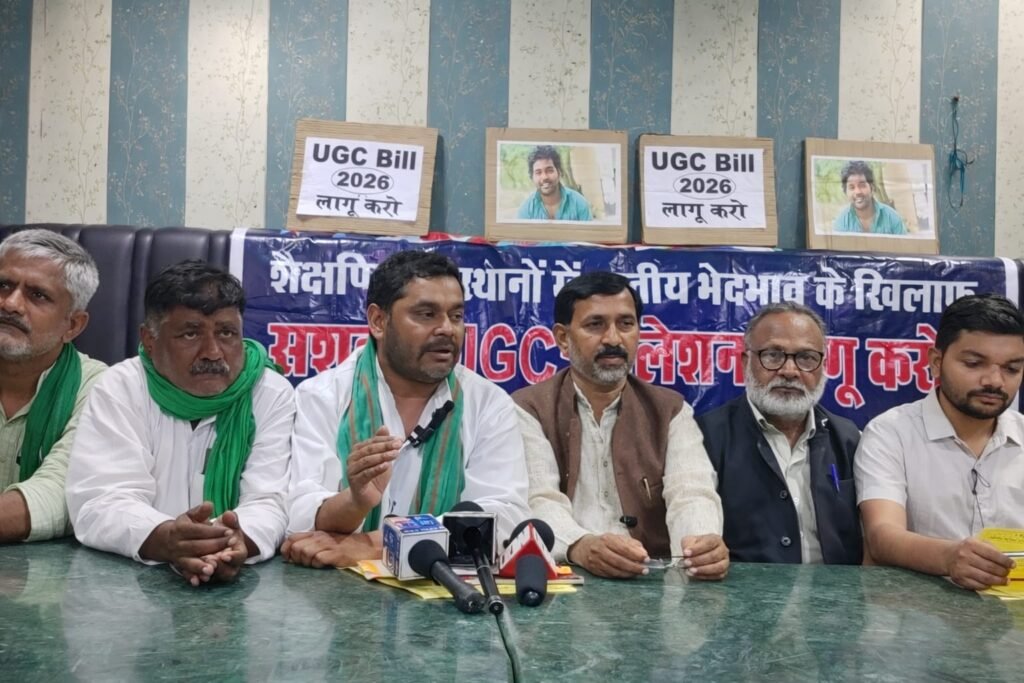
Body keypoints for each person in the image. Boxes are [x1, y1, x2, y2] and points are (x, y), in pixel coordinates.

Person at [283, 251, 529, 569]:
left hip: (447, 591)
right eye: (427, 314)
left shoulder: (488, 404)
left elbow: (504, 517)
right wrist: (354, 502)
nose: (447, 329)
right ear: (378, 321)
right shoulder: (323, 396)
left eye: (456, 316)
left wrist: (378, 544)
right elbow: (298, 517)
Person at [66, 261, 293, 586]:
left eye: (226, 333)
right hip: (131, 589)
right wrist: (167, 538)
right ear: (150, 340)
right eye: (190, 333)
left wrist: (233, 543)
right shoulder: (121, 387)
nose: (213, 353)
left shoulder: (269, 392)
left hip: (240, 585)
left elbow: (270, 500)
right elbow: (100, 500)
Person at [514, 272, 727, 580]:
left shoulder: (670, 410)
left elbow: (691, 491)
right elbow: (538, 499)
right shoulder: (528, 408)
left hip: (652, 578)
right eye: (595, 325)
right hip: (567, 576)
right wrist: (579, 545)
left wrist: (698, 548)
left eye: (626, 324)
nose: (613, 339)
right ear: (562, 338)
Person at [856, 293, 1024, 590]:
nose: (995, 381)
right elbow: (881, 536)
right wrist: (948, 558)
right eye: (974, 363)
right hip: (917, 611)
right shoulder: (891, 433)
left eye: (1011, 369)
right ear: (936, 362)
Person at [697, 302, 862, 564]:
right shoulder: (706, 438)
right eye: (773, 355)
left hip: (836, 589)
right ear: (745, 362)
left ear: (823, 366)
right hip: (744, 589)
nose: (789, 371)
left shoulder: (848, 438)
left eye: (806, 358)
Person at [0, 230, 105, 543]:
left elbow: (63, 492)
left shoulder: (100, 388)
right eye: (3, 285)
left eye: (38, 295)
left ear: (72, 325)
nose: (10, 304)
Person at [516, 145, 593, 221]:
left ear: (559, 172)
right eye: (538, 172)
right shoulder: (526, 210)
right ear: (532, 177)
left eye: (549, 170)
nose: (544, 177)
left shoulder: (579, 203)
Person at [832, 160, 907, 235]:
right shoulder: (841, 222)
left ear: (872, 188)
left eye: (862, 185)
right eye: (852, 187)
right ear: (845, 192)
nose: (857, 192)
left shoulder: (892, 218)